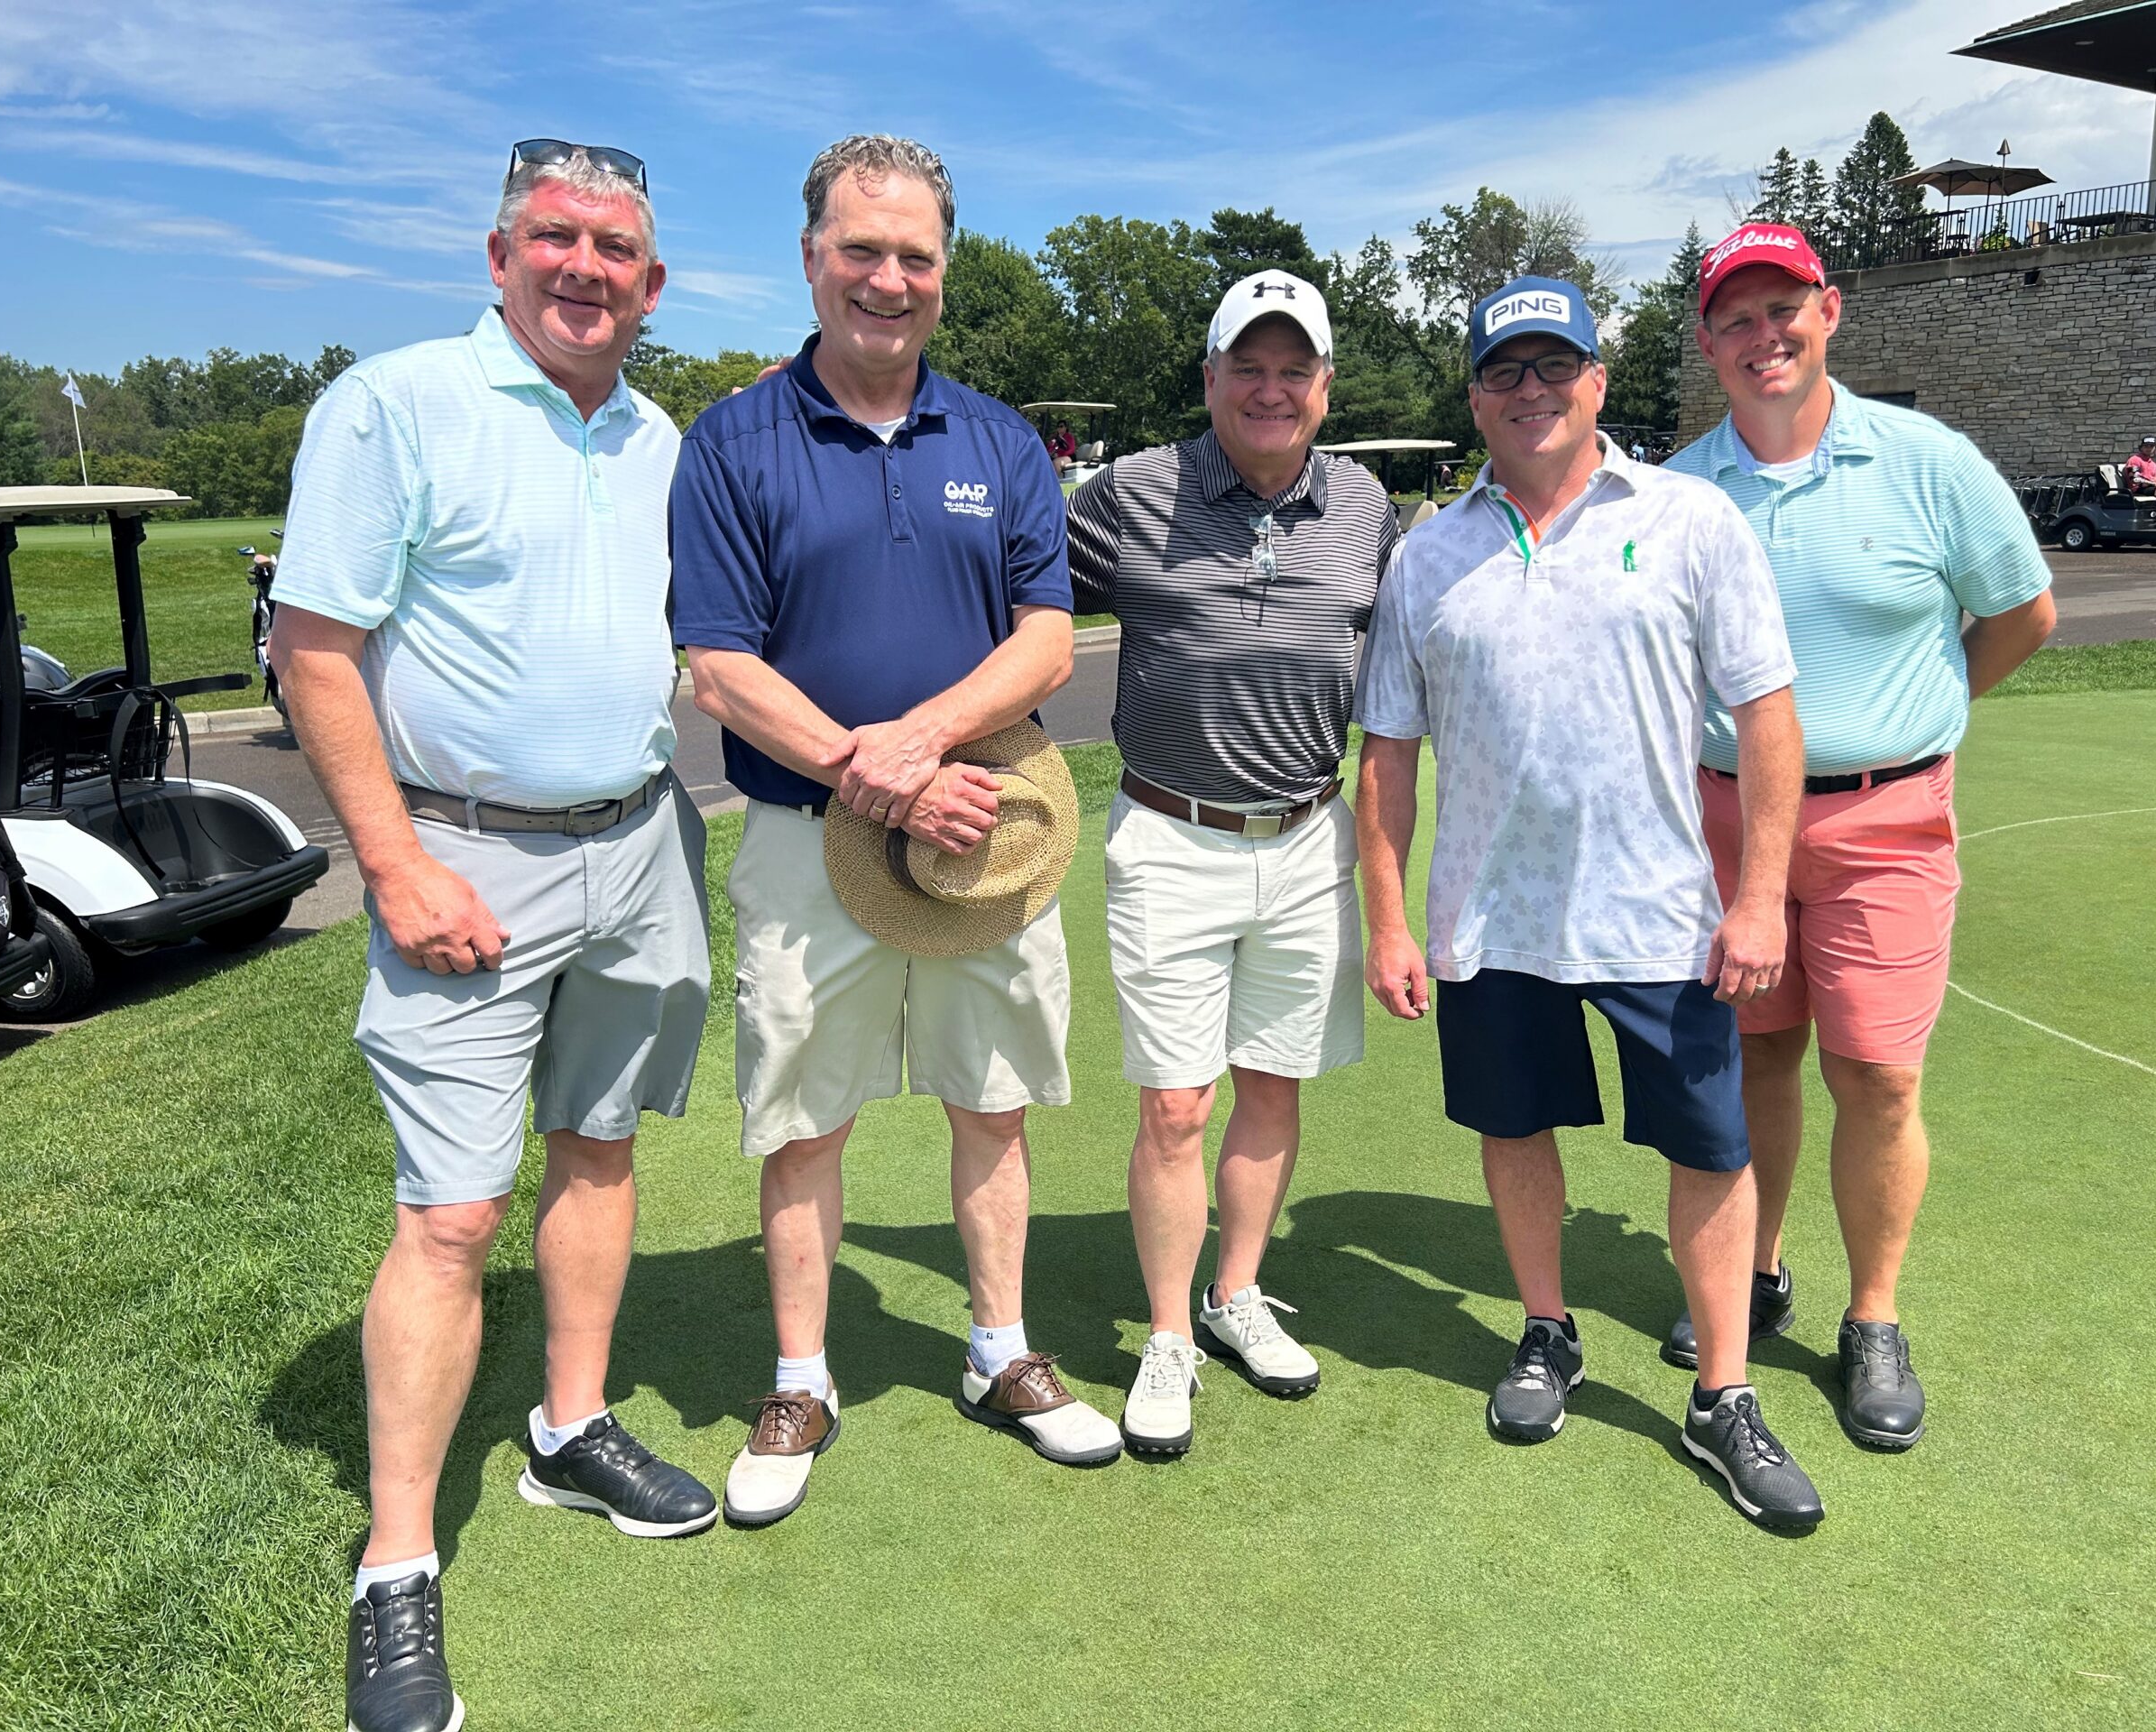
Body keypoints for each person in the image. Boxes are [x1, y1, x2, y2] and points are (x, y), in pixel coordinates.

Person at [272, 139, 714, 1732]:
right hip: (458, 861)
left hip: (642, 849)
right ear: (500, 251)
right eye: (558, 237)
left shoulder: (665, 436)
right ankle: (398, 1563)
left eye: (617, 248)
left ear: (651, 285)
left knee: (599, 1148)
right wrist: (389, 864)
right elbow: (315, 648)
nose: (586, 267)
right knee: (451, 1217)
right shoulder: (393, 404)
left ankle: (569, 1429)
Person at [670, 134, 1121, 1528]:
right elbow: (721, 663)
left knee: (993, 1103)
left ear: (944, 269)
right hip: (811, 843)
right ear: (812, 258)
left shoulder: (996, 439)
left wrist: (921, 756)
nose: (888, 277)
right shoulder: (734, 441)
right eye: (860, 251)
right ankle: (802, 1376)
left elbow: (1048, 640)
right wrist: (877, 779)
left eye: (914, 254)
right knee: (806, 1121)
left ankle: (1001, 1352)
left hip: (984, 830)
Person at [1355, 275, 1826, 1530]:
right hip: (1488, 917)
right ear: (1474, 396)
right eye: (1506, 371)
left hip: (1664, 912)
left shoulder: (1688, 519)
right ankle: (1548, 1330)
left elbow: (1769, 715)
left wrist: (1763, 894)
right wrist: (1390, 918)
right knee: (1515, 1131)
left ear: (1598, 382)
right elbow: (1390, 752)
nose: (1532, 391)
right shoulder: (1428, 553)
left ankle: (1723, 1393)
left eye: (1555, 366)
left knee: (1710, 1150)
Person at [1668, 224, 2055, 1451]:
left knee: (1878, 1074)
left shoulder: (1927, 460)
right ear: (1708, 343)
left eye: (1784, 308)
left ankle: (1873, 1315)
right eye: (1735, 318)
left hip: (1887, 819)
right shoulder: (1683, 490)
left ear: (1829, 312)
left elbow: (2021, 614)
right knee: (1758, 1061)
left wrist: (1909, 729)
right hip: (1729, 821)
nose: (1763, 336)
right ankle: (1762, 1267)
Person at [1064, 270, 1398, 1452]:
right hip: (1170, 836)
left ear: (1323, 385)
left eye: (1292, 368)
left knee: (1271, 1084)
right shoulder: (1125, 497)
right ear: (1210, 379)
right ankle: (1167, 1334)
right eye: (1246, 368)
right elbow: (1013, 599)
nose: (1271, 389)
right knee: (1174, 1107)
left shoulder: (1364, 505)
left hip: (1310, 837)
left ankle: (1235, 1291)